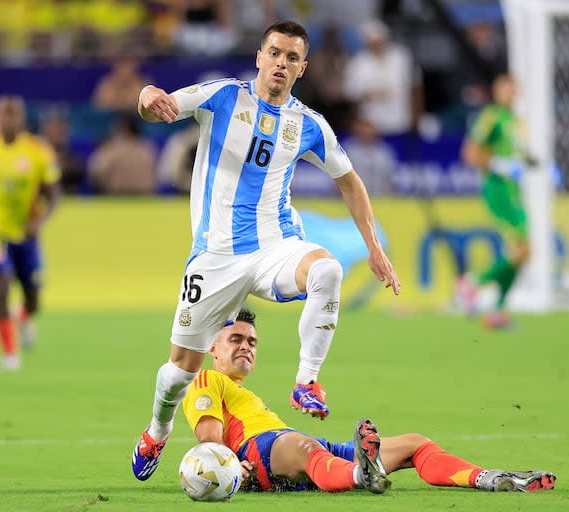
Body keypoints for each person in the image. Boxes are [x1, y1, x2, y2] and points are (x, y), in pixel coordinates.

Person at [132, 20, 400, 481]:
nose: (281, 62)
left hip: (274, 246)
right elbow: (159, 105)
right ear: (260, 56)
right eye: (274, 53)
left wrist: (373, 247)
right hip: (216, 256)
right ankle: (157, 429)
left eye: (292, 57)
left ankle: (306, 382)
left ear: (302, 68)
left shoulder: (309, 124)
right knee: (180, 370)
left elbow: (349, 181)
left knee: (327, 270)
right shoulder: (222, 97)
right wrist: (147, 94)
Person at [183, 308, 556, 494]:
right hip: (262, 452)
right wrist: (232, 469)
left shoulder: (242, 391)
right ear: (212, 347)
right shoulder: (207, 379)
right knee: (303, 445)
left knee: (414, 444)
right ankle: (363, 473)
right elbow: (210, 441)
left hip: (294, 451)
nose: (246, 346)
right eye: (236, 340)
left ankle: (485, 478)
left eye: (252, 342)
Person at [0, 96, 61, 370]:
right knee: (2, 287)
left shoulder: (38, 151)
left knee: (33, 300)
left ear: (22, 119)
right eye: (3, 115)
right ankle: (9, 352)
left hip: (28, 238)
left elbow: (54, 194)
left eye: (14, 115)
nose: (9, 121)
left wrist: (40, 221)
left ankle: (23, 317)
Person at [458, 74, 531, 329]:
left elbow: (518, 155)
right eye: (505, 89)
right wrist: (498, 165)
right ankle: (473, 284)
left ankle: (498, 310)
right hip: (497, 189)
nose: (510, 94)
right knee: (524, 250)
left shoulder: (517, 122)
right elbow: (470, 153)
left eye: (514, 89)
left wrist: (539, 165)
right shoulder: (490, 117)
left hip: (514, 191)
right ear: (496, 91)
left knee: (521, 253)